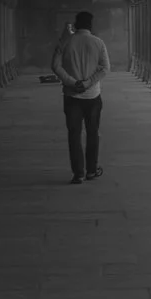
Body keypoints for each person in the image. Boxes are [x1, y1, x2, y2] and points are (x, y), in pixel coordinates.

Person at [51, 11, 110, 184]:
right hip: (92, 95)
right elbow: (105, 68)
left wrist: (72, 82)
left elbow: (55, 66)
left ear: (76, 25)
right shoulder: (98, 42)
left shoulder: (66, 42)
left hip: (72, 95)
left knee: (74, 135)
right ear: (90, 25)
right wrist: (88, 83)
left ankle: (78, 173)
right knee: (93, 133)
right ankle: (91, 170)